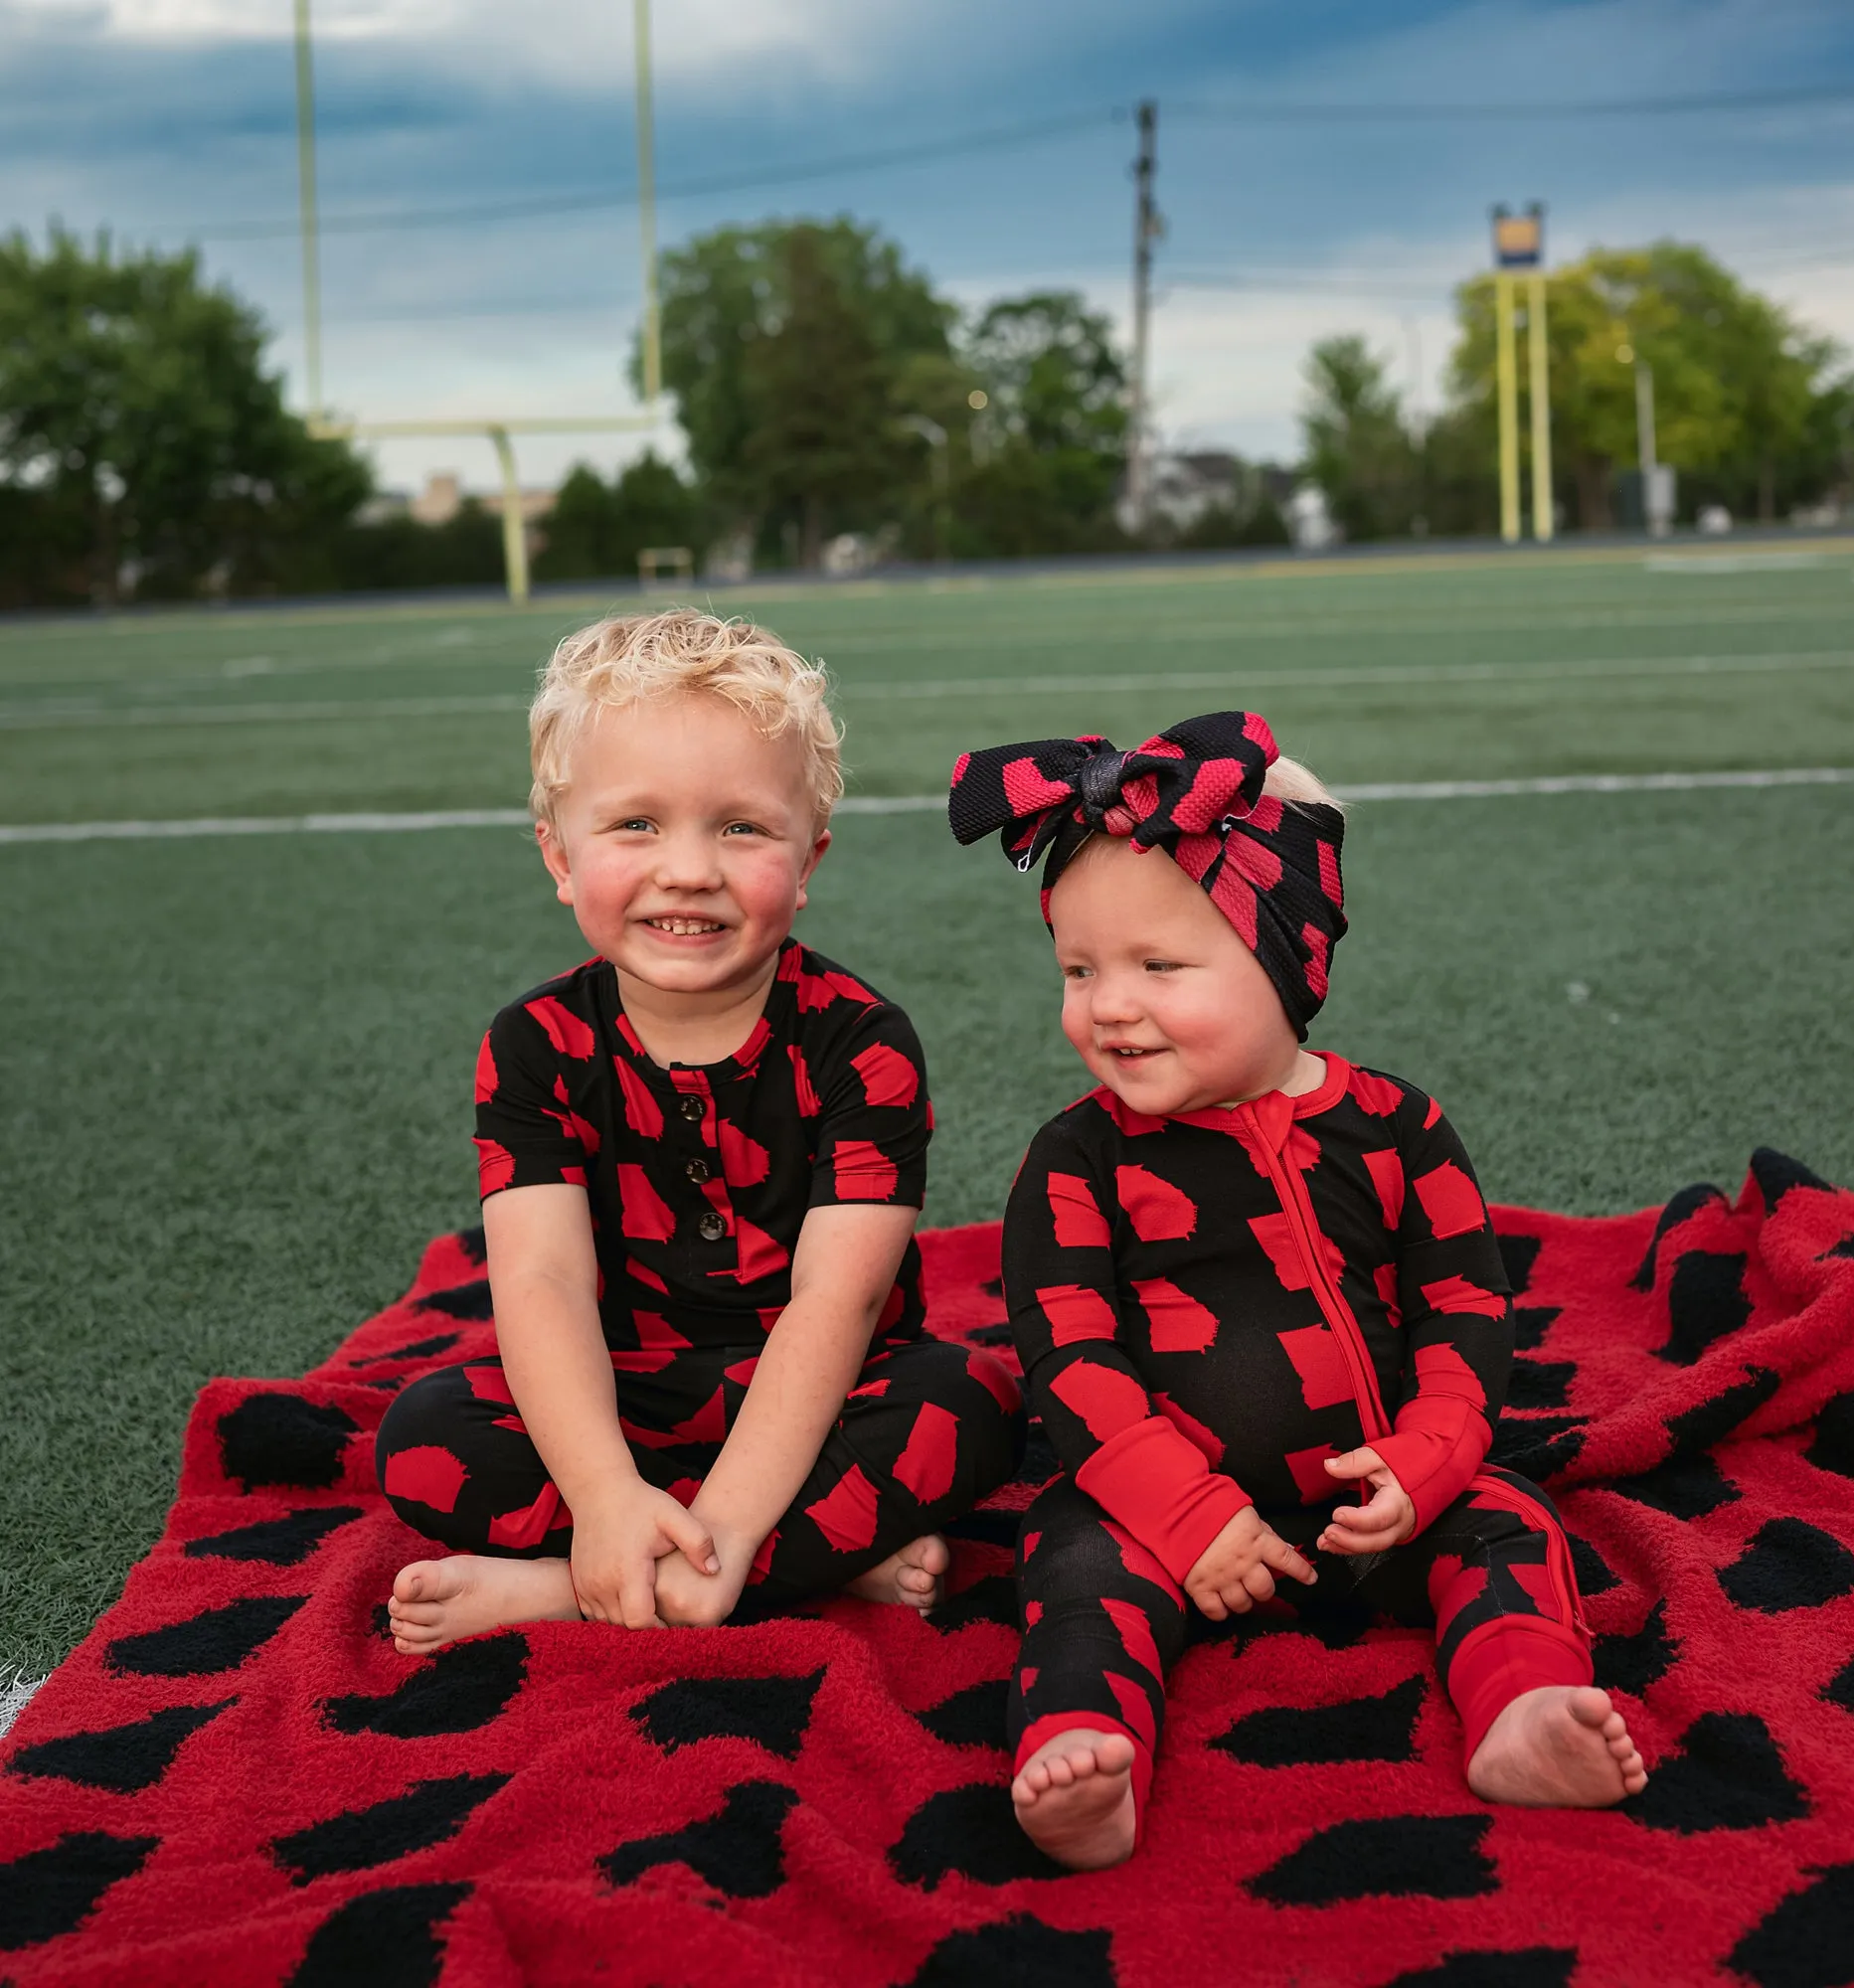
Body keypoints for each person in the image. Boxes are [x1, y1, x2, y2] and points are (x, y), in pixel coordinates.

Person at [948, 711, 1646, 1871]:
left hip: (1374, 1505)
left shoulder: (1394, 1124)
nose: (1108, 1004)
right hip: (1159, 1514)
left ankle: (1522, 1709)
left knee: (1511, 1516)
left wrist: (1427, 1457)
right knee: (1070, 1550)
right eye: (1079, 969)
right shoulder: (1075, 1158)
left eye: (1159, 965)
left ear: (1289, 960)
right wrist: (1183, 1512)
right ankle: (1082, 1749)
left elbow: (1464, 1307)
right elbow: (1067, 1357)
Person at [377, 610, 1021, 1652]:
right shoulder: (534, 1042)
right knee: (420, 1437)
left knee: (971, 1402)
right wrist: (598, 1492)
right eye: (635, 824)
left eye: (740, 827)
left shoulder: (862, 1040)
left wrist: (724, 1518)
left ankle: (582, 1583)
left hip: (825, 1385)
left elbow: (837, 1297)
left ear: (806, 858)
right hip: (625, 1386)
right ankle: (760, 1556)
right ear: (558, 853)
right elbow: (539, 1283)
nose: (688, 868)